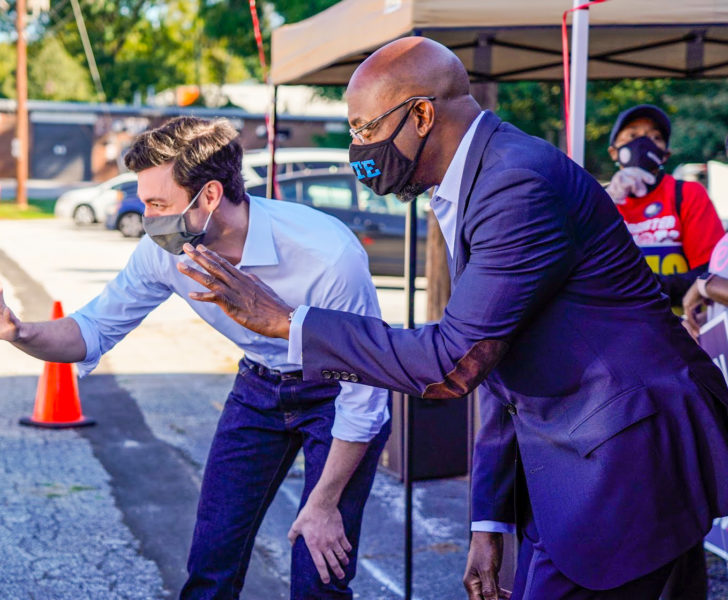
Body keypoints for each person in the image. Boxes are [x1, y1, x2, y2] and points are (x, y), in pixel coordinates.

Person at [178, 37, 728, 600]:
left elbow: (454, 360)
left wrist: (292, 323)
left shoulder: (516, 182)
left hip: (630, 459)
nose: (357, 147)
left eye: (365, 129)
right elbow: (495, 361)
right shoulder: (479, 177)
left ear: (421, 114)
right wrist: (489, 521)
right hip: (587, 460)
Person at [0, 116, 390, 599]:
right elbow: (93, 327)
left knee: (319, 572)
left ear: (208, 196)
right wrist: (17, 331)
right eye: (144, 204)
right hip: (259, 388)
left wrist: (325, 502)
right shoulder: (166, 251)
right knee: (212, 563)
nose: (147, 218)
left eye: (158, 204)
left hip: (336, 393)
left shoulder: (326, 254)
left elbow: (366, 395)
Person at [604, 103, 724, 306]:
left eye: (655, 138)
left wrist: (645, 287)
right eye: (632, 136)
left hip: (674, 324)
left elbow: (710, 273)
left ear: (665, 155)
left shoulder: (687, 194)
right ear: (614, 152)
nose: (642, 143)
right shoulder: (597, 199)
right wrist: (604, 206)